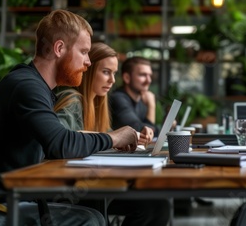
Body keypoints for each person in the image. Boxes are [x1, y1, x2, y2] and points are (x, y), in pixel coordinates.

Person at [0, 10, 138, 225]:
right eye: (83, 52)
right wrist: (114, 138)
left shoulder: (33, 85)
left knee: (92, 211)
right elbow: (60, 143)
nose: (88, 62)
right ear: (59, 48)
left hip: (11, 200)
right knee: (91, 220)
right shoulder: (27, 86)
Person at [54, 42, 170, 226]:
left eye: (113, 73)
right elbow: (60, 138)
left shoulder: (99, 105)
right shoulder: (71, 100)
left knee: (157, 206)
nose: (112, 80)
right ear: (89, 70)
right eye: (106, 72)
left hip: (94, 183)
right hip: (73, 189)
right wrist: (113, 139)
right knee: (152, 207)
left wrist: (125, 139)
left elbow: (107, 138)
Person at [109, 57, 157, 138]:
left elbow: (154, 131)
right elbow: (141, 131)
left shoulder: (141, 101)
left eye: (150, 76)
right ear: (127, 78)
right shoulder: (118, 98)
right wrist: (151, 106)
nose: (149, 80)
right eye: (143, 75)